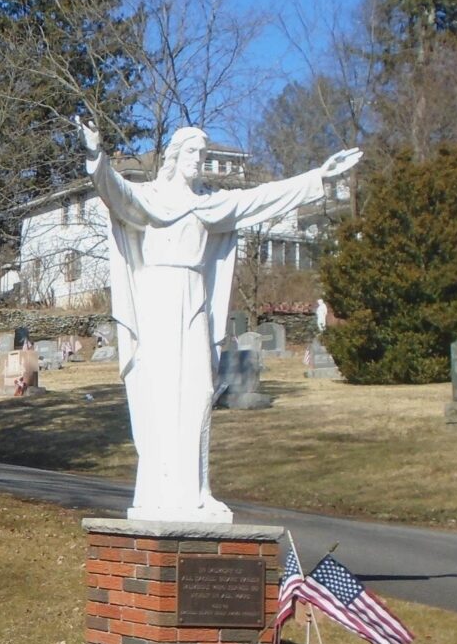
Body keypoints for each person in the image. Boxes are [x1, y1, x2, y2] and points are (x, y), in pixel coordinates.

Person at [78, 119, 362, 522]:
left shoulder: (209, 205)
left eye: (204, 155)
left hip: (194, 297)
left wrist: (318, 176)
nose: (199, 161)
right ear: (175, 157)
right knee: (161, 393)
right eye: (193, 153)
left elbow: (263, 199)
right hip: (158, 297)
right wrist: (95, 155)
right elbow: (113, 190)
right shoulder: (149, 199)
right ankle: (160, 489)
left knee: (198, 390)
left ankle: (196, 491)